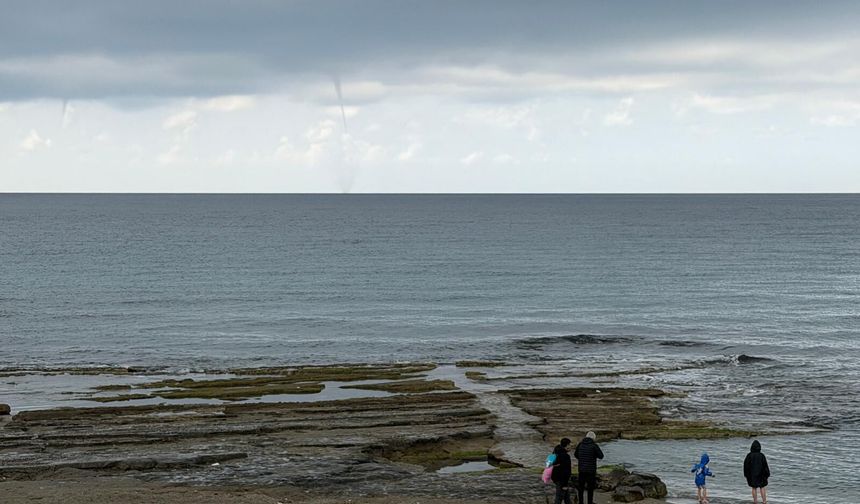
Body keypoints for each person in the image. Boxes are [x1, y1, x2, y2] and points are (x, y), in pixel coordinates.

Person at [573, 431, 604, 504]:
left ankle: (581, 502)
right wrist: (594, 455)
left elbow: (575, 454)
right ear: (593, 438)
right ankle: (590, 502)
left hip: (581, 469)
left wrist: (582, 459)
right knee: (590, 488)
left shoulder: (580, 444)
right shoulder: (594, 445)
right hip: (591, 470)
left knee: (581, 487)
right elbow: (601, 456)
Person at [743, 440, 770, 504]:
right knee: (762, 487)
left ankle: (755, 501)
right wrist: (767, 474)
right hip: (761, 475)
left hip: (752, 475)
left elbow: (746, 466)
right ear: (759, 447)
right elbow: (765, 466)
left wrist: (746, 474)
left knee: (754, 488)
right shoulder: (762, 455)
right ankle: (764, 501)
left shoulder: (749, 455)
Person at [550, 438, 573, 504]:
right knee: (559, 498)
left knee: (567, 497)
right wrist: (565, 484)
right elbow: (566, 471)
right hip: (562, 480)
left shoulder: (556, 452)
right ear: (567, 445)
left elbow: (551, 462)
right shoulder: (565, 456)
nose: (570, 446)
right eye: (569, 445)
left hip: (556, 477)